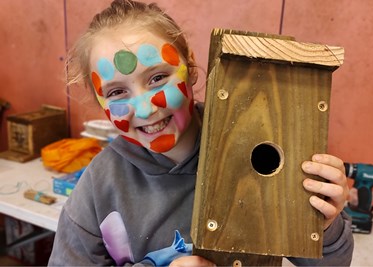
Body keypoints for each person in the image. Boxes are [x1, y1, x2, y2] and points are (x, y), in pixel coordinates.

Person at [48, 0, 354, 266]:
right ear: (99, 102)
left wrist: (324, 224)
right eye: (116, 92)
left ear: (190, 70)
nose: (144, 109)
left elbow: (332, 264)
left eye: (157, 77)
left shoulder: (251, 147)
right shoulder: (99, 185)